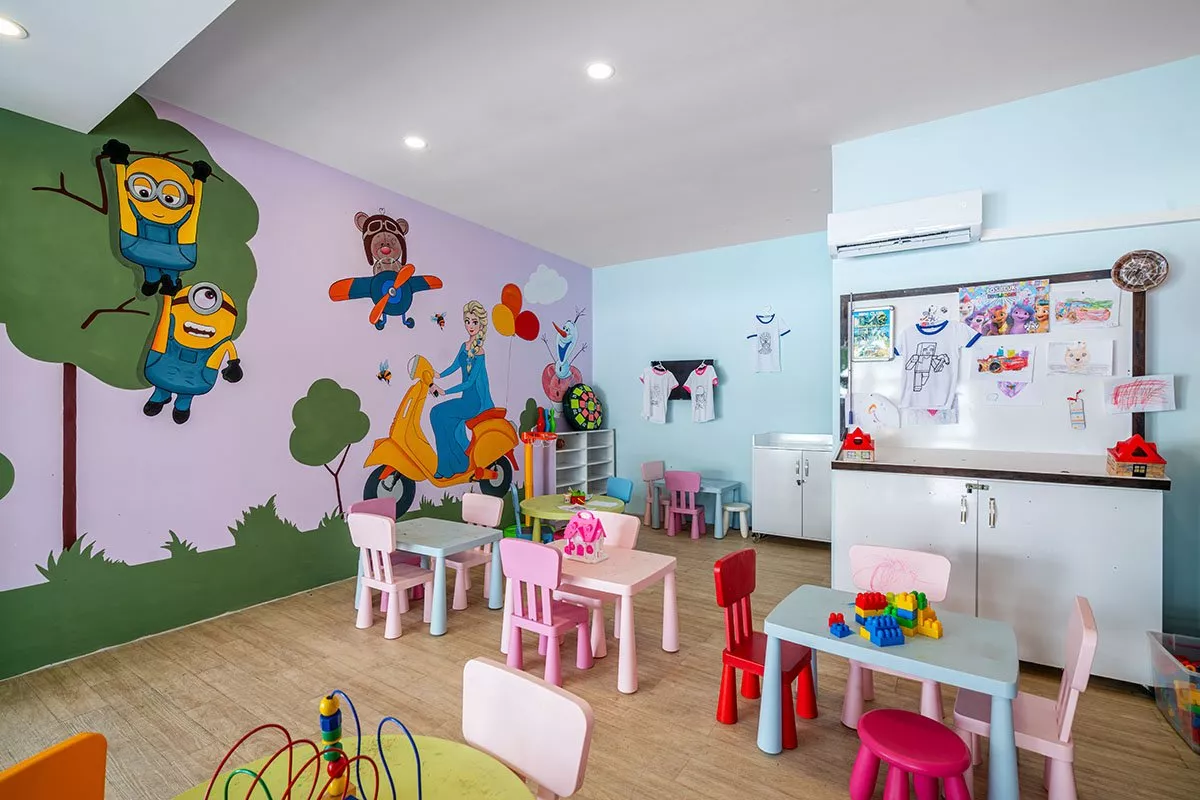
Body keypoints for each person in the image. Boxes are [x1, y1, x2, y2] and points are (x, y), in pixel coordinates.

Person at [430, 300, 494, 478]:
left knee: (438, 413)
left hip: (474, 403)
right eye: (467, 321)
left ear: (481, 324)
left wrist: (445, 391)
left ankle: (449, 466)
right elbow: (454, 366)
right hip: (466, 400)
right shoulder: (464, 346)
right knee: (439, 417)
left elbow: (469, 382)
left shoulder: (479, 352)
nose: (470, 326)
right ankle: (454, 464)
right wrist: (438, 375)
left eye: (474, 322)